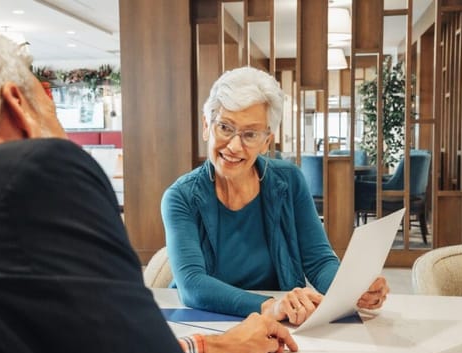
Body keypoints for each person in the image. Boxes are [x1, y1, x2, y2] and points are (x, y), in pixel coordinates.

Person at [0, 26, 297, 353]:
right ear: (19, 108)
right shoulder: (36, 174)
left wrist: (222, 344)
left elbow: (88, 350)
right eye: (49, 103)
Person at [161, 66, 389, 324]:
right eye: (225, 127)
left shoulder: (289, 180)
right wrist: (270, 306)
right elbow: (192, 284)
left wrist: (351, 289)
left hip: (278, 324)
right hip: (206, 321)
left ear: (266, 141)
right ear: (206, 126)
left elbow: (319, 262)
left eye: (250, 134)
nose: (235, 146)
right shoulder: (180, 197)